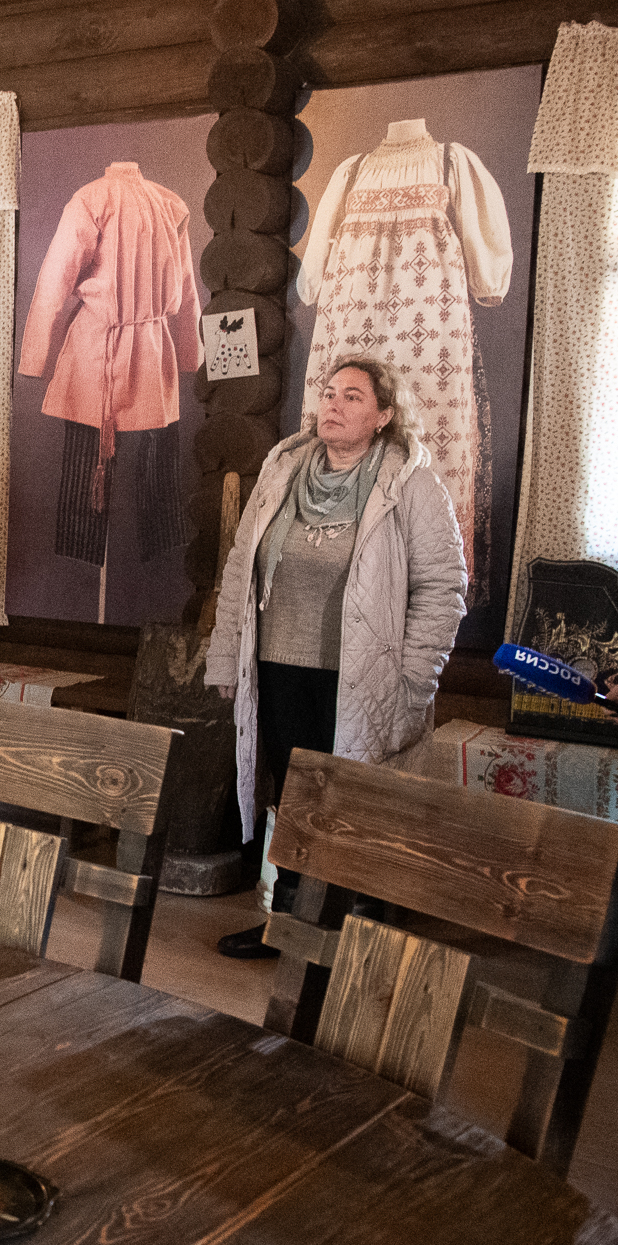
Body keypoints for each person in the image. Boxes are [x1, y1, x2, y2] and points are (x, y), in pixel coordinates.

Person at [206, 354, 466, 958]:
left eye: (353, 396)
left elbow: (443, 588)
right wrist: (226, 659)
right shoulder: (282, 469)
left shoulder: (410, 483)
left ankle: (349, 937)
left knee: (351, 801)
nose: (334, 405)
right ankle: (288, 923)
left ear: (383, 415)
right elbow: (240, 570)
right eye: (329, 393)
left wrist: (413, 677)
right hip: (278, 668)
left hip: (363, 676)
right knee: (293, 797)